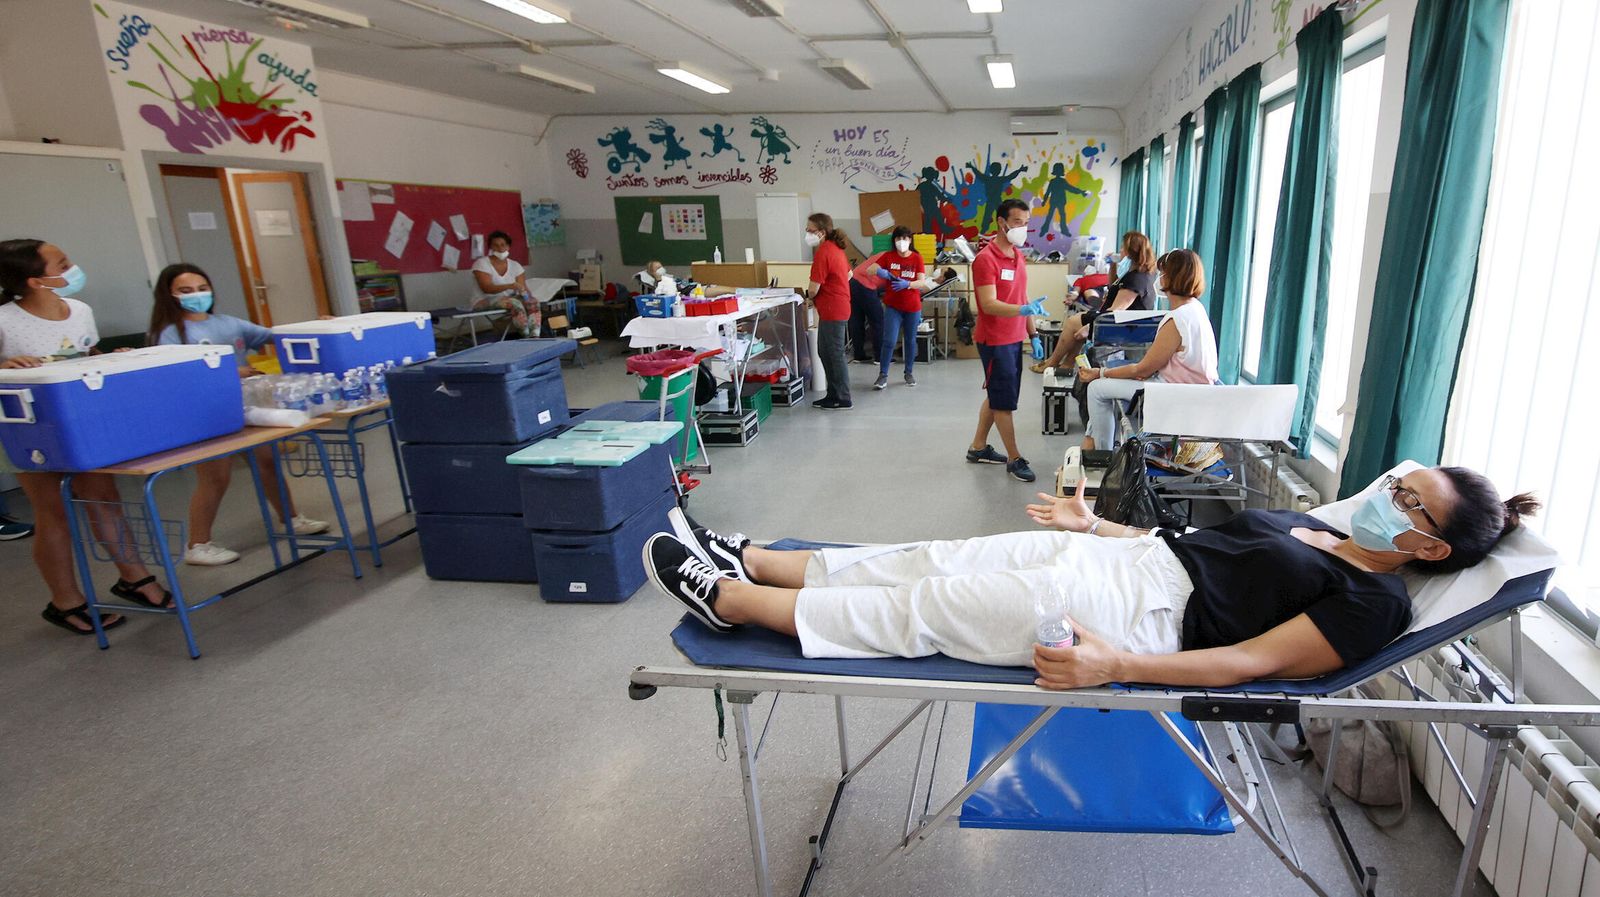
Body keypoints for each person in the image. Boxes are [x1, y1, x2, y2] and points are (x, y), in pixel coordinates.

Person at [647, 467, 1537, 689]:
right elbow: (1203, 545)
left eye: (1407, 501)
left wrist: (1120, 666)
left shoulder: (1376, 599)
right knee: (933, 556)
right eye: (1396, 483)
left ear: (1428, 549)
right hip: (1125, 557)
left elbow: (1251, 664)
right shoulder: (1324, 527)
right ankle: (750, 554)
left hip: (1143, 616)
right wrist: (1098, 523)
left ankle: (728, 601)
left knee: (932, 607)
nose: (1385, 492)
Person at [0, 238, 172, 634]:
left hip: (83, 423)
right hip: (30, 431)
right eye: (62, 262)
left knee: (105, 500)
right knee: (54, 513)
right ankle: (65, 601)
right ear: (37, 281)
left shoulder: (80, 311)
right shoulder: (6, 320)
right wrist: (6, 365)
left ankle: (134, 578)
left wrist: (109, 358)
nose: (73, 267)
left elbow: (83, 357)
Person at [148, 263, 328, 566]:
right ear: (170, 295)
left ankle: (291, 519)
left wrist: (316, 327)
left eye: (202, 288)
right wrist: (234, 371)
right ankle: (198, 544)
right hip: (206, 413)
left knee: (267, 462)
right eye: (186, 291)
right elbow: (178, 376)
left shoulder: (228, 323)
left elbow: (274, 336)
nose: (197, 295)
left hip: (246, 406)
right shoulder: (168, 334)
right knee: (215, 477)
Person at [1078, 248, 1218, 452]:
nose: (1158, 278)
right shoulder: (1196, 309)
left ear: (1171, 277)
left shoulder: (1176, 320)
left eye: (1162, 273)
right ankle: (1092, 443)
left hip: (1172, 393)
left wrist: (1099, 373)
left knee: (1097, 388)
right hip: (1192, 391)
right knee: (1110, 383)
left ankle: (1101, 453)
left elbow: (1141, 370)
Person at [967, 199, 1047, 483]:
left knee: (997, 393)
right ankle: (1014, 458)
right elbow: (988, 304)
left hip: (1014, 338)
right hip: (994, 339)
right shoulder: (985, 260)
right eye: (1017, 223)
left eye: (1026, 223)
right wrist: (1022, 311)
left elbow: (1024, 299)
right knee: (1003, 402)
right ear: (1001, 223)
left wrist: (1033, 333)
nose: (1023, 229)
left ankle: (978, 447)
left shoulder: (1017, 256)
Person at [1031, 230, 1160, 374]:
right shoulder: (1139, 273)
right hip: (1125, 322)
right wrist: (1113, 265)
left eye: (1123, 248)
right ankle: (1066, 365)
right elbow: (1113, 286)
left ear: (1132, 252)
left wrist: (1090, 326)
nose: (1121, 251)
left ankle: (1052, 362)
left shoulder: (1136, 279)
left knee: (1073, 322)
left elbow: (1116, 311)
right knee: (1078, 322)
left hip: (1125, 326)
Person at [805, 213, 853, 410]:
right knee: (825, 352)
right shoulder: (836, 249)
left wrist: (809, 295)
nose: (807, 234)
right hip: (834, 307)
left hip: (834, 310)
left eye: (810, 230)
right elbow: (849, 274)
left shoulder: (824, 252)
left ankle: (843, 397)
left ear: (822, 232)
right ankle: (832, 394)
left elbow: (814, 287)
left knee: (834, 354)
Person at [470, 231, 540, 337]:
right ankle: (525, 337)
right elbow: (487, 288)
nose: (500, 248)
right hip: (484, 300)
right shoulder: (482, 263)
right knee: (515, 304)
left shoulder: (515, 265)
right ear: (490, 247)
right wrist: (509, 286)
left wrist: (528, 298)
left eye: (503, 245)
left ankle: (535, 335)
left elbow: (522, 288)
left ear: (508, 246)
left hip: (509, 298)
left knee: (533, 302)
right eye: (496, 245)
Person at [846, 254, 884, 366]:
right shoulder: (894, 259)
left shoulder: (882, 253)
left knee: (856, 321)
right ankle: (880, 357)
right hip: (866, 284)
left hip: (852, 282)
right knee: (878, 321)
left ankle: (858, 355)